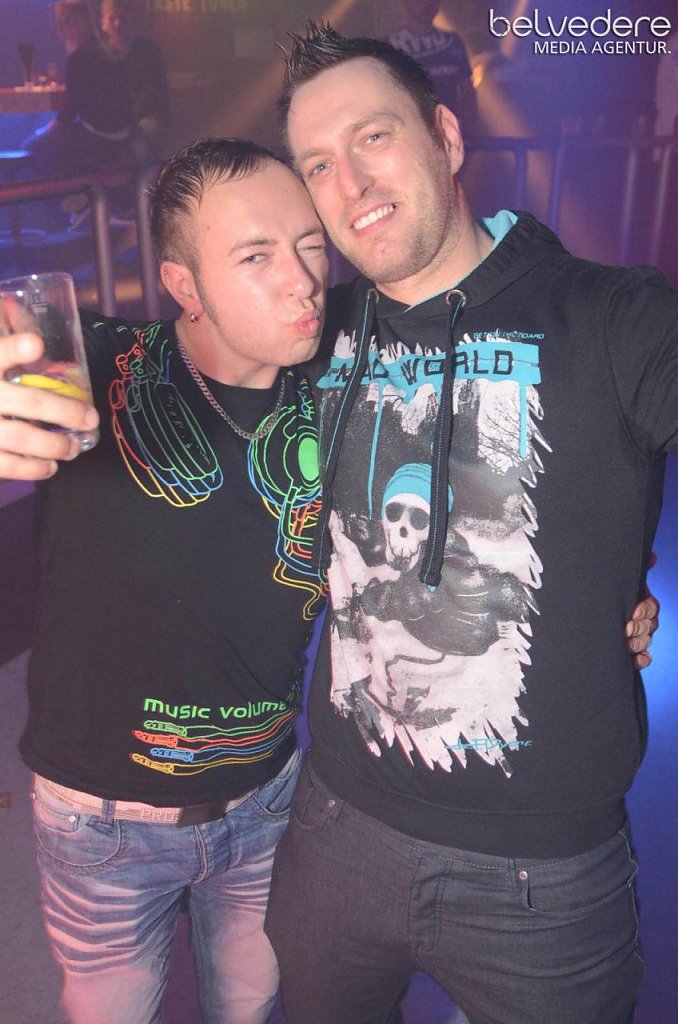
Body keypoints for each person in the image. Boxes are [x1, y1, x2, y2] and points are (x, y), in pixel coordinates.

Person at [263, 23, 676, 1024]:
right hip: (333, 829)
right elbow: (165, 367)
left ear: (445, 136)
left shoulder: (611, 315)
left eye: (374, 136)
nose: (350, 182)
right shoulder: (313, 334)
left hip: (541, 880)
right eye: (317, 164)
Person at [0, 137, 328, 1024]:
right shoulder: (96, 367)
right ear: (185, 285)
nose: (302, 280)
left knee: (250, 1006)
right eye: (255, 257)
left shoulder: (338, 381)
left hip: (267, 799)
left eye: (309, 244)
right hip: (102, 822)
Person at [24, 0, 136, 180]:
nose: (59, 26)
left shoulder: (80, 57)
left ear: (81, 21)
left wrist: (48, 130)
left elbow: (70, 111)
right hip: (122, 132)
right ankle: (87, 188)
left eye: (65, 19)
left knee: (32, 146)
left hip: (101, 135)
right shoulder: (103, 50)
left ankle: (74, 191)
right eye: (56, 20)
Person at [388, 0, 476, 134]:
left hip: (447, 132)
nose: (428, 3)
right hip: (411, 133)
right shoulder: (390, 46)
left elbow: (467, 91)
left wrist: (467, 129)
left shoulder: (453, 41)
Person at [100, 0, 171, 167]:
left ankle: (150, 181)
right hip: (113, 121)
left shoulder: (149, 50)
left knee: (139, 145)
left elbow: (151, 94)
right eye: (112, 19)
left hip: (149, 116)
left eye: (122, 18)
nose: (118, 24)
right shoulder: (99, 55)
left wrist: (126, 121)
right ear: (103, 23)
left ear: (132, 21)